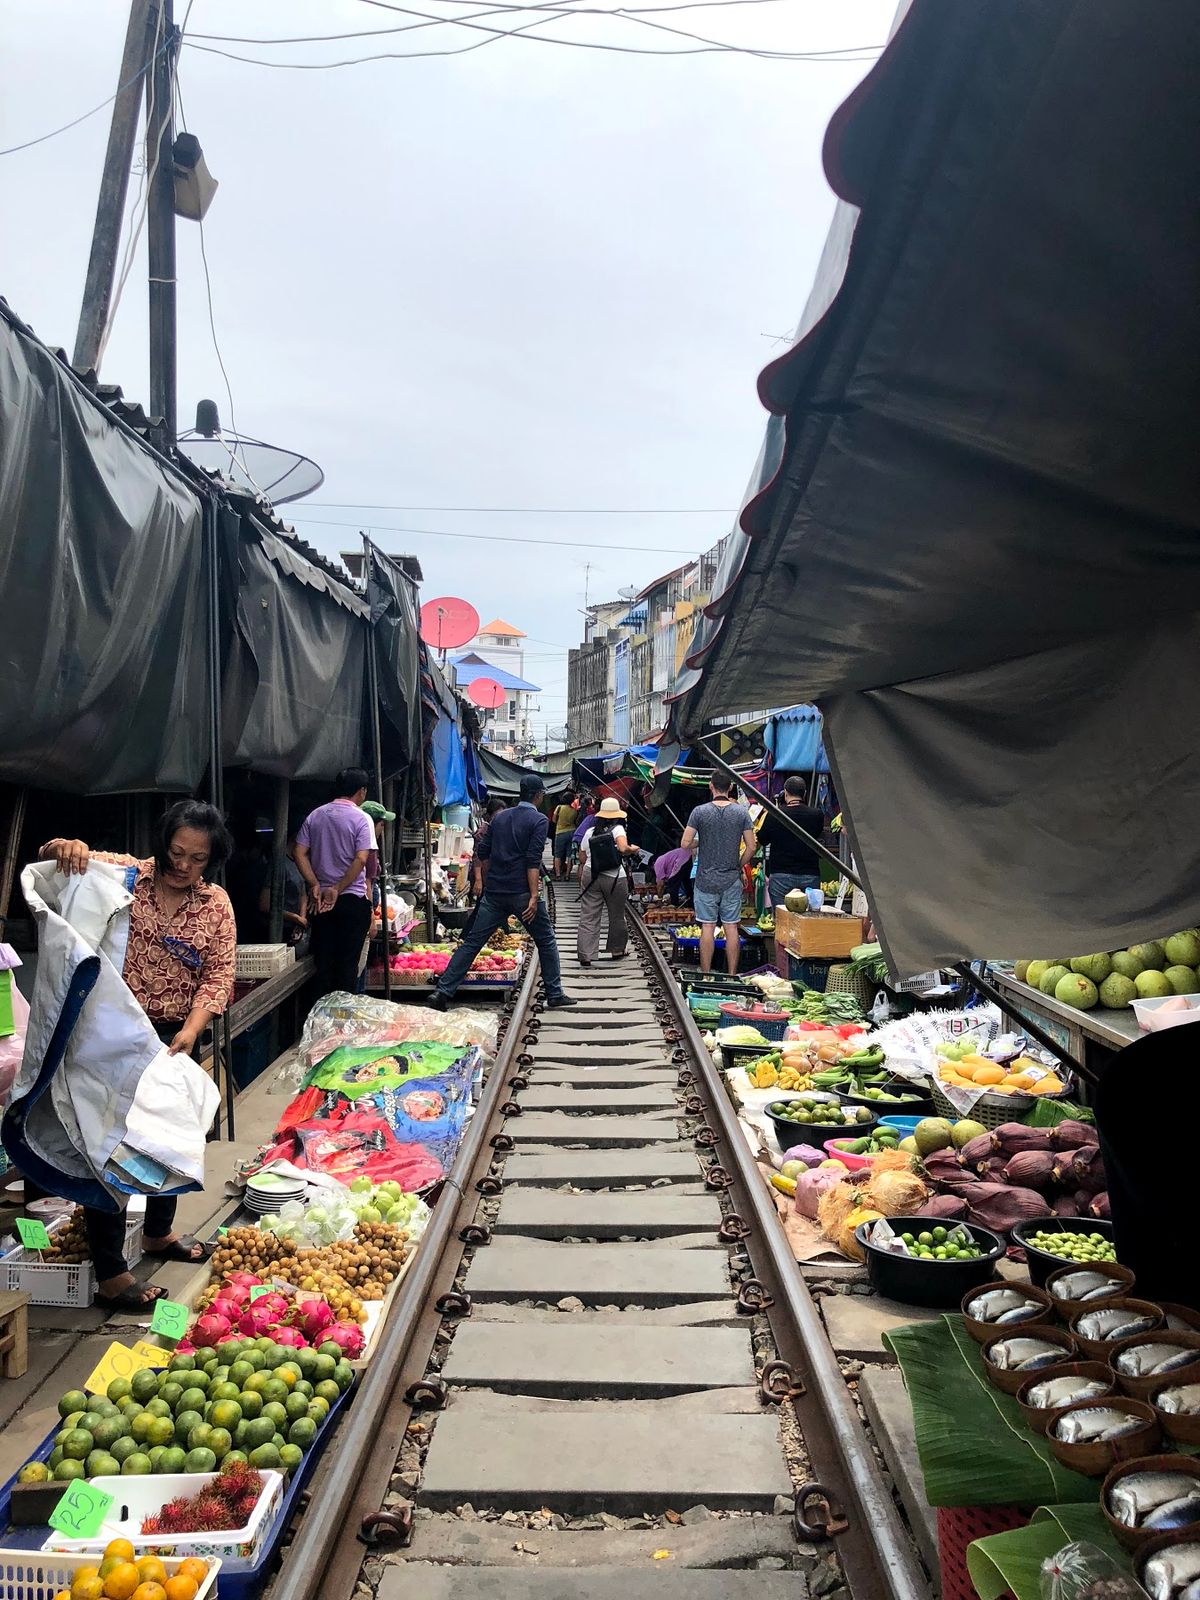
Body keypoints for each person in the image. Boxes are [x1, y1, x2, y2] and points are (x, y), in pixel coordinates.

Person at [36, 801, 237, 1307]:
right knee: (109, 1145)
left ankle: (158, 1234)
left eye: (196, 858)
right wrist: (65, 849)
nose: (183, 865)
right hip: (112, 1035)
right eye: (176, 852)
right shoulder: (123, 875)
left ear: (211, 861)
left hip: (174, 1036)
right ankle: (110, 1272)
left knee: (170, 1135)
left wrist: (191, 1032)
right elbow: (55, 862)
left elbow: (217, 977)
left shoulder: (216, 905)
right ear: (162, 843)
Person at [430, 775, 577, 1010]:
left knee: (472, 943)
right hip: (521, 894)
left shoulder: (500, 818)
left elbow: (483, 852)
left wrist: (491, 880)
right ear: (538, 796)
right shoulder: (538, 821)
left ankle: (443, 991)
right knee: (546, 940)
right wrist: (532, 895)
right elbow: (533, 860)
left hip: (495, 894)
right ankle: (554, 992)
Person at [295, 768, 375, 999]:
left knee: (324, 965)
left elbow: (299, 852)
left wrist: (314, 884)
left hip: (320, 903)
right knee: (347, 967)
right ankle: (341, 1025)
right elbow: (361, 858)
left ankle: (321, 1022)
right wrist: (337, 888)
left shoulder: (316, 815)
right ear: (361, 792)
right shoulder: (362, 818)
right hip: (351, 900)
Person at [681, 775, 756, 974]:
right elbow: (751, 847)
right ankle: (732, 974)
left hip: (705, 879)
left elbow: (685, 843)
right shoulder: (741, 813)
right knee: (731, 927)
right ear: (730, 787)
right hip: (731, 879)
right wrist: (738, 864)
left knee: (708, 926)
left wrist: (701, 842)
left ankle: (705, 973)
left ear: (710, 786)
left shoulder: (699, 812)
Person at [576, 798, 635, 966]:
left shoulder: (590, 832)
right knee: (616, 914)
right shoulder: (618, 829)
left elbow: (582, 856)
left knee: (588, 915)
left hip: (591, 874)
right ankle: (617, 950)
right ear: (617, 816)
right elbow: (623, 849)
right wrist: (633, 849)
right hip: (614, 877)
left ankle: (586, 954)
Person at [760, 777, 826, 908]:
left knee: (781, 918)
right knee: (809, 920)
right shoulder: (817, 815)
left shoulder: (775, 814)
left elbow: (763, 839)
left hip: (781, 874)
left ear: (785, 792)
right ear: (804, 793)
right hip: (809, 873)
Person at [258, 833, 310, 953]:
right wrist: (294, 917)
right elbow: (264, 905)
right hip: (279, 928)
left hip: (296, 928)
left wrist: (302, 918)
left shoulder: (299, 863)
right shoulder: (278, 865)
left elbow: (303, 893)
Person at [551, 793, 578, 879]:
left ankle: (558, 875)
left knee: (557, 854)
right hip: (572, 832)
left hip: (560, 832)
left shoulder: (559, 807)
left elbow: (554, 820)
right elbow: (575, 821)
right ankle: (567, 875)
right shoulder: (574, 810)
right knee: (570, 855)